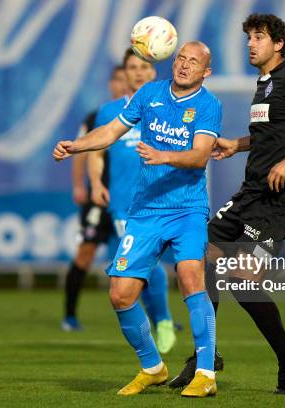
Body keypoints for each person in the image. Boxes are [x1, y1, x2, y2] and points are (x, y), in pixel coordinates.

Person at [169, 14, 285, 394]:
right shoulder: (263, 85)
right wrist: (236, 143)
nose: (250, 43)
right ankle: (205, 356)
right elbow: (271, 135)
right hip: (249, 194)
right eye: (248, 37)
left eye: (258, 37)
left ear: (278, 44)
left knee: (243, 282)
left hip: (278, 202)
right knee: (196, 259)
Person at [54, 41, 221, 398]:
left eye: (194, 62)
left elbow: (200, 156)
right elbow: (111, 131)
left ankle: (206, 373)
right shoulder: (149, 93)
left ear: (205, 72)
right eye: (181, 58)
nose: (184, 65)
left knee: (191, 276)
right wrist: (76, 146)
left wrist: (163, 155)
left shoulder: (208, 105)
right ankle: (153, 368)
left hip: (187, 208)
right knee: (120, 294)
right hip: (145, 211)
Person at [88, 48, 177, 354]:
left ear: (153, 73)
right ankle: (160, 322)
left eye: (144, 67)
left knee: (144, 264)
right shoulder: (108, 112)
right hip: (123, 201)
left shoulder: (167, 108)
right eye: (132, 67)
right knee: (130, 271)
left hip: (158, 197)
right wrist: (97, 181)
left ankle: (162, 322)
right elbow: (96, 151)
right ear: (124, 73)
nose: (138, 72)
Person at [61, 65, 128, 331]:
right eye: (118, 79)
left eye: (126, 79)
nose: (122, 84)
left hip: (130, 198)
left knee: (138, 259)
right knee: (86, 251)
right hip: (99, 197)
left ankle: (160, 320)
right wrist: (80, 185)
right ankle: (69, 316)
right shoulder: (97, 116)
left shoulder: (145, 113)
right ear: (111, 84)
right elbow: (82, 152)